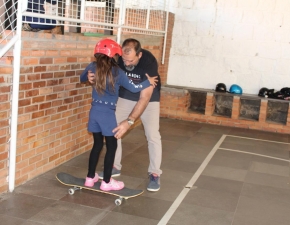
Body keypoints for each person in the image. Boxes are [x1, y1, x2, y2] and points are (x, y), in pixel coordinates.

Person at [80, 38, 158, 191]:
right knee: (111, 147)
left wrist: (88, 77)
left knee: (96, 145)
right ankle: (107, 182)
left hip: (94, 113)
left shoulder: (92, 66)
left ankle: (90, 178)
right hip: (107, 115)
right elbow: (135, 88)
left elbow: (82, 78)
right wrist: (148, 82)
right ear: (114, 55)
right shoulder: (117, 72)